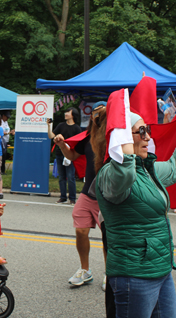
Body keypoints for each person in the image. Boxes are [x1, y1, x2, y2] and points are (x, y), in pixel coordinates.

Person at [92, 103, 176, 317]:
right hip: (134, 275)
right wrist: (123, 143)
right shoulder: (111, 175)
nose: (148, 136)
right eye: (141, 131)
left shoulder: (147, 170)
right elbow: (124, 174)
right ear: (122, 139)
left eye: (147, 130)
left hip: (161, 270)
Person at [53, 103, 107, 290]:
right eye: (94, 114)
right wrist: (62, 145)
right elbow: (73, 155)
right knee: (81, 231)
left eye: (101, 114)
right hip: (89, 192)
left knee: (109, 236)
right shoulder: (88, 137)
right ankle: (85, 270)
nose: (96, 117)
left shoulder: (114, 138)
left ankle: (110, 273)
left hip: (108, 196)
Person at [48, 108, 81, 204]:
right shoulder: (61, 125)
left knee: (70, 177)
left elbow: (78, 143)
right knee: (61, 177)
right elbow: (51, 136)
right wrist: (49, 126)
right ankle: (63, 197)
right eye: (66, 112)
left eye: (68, 112)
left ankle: (72, 198)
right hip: (59, 154)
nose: (65, 114)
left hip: (70, 156)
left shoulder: (76, 128)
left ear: (73, 114)